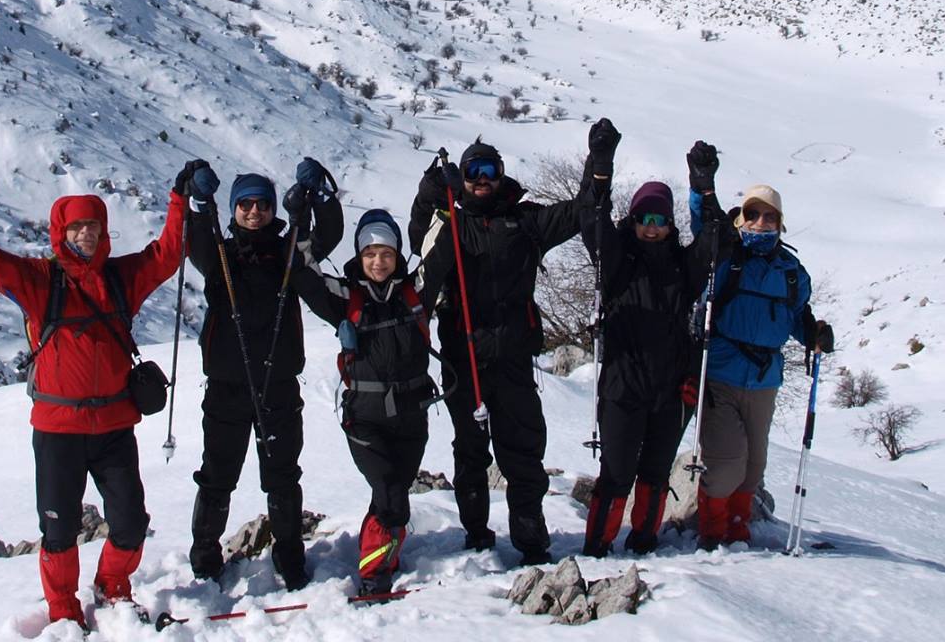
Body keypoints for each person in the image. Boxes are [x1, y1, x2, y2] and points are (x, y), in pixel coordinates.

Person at [0, 159, 191, 628]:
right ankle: (63, 609)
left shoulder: (119, 279)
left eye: (94, 226)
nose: (87, 235)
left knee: (131, 522)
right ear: (62, 231)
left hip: (114, 426)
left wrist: (178, 199)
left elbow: (166, 257)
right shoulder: (39, 281)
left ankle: (113, 586)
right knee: (58, 530)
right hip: (58, 430)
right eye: (78, 227)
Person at [409, 121, 613, 564]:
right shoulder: (451, 223)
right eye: (473, 171)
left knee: (521, 448)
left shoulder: (525, 221)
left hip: (515, 358)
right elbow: (417, 247)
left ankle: (530, 536)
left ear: (502, 174)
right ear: (461, 178)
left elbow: (582, 211)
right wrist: (429, 191)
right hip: (464, 357)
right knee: (470, 449)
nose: (483, 179)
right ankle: (477, 532)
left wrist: (598, 163)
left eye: (491, 169)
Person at [182, 159, 343, 590]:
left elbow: (328, 235)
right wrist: (197, 202)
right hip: (227, 386)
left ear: (274, 209)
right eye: (245, 205)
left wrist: (322, 195)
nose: (254, 212)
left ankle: (290, 558)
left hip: (279, 385)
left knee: (283, 477)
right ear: (233, 210)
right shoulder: (219, 253)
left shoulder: (291, 251)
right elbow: (192, 236)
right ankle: (204, 560)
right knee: (217, 475)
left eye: (262, 205)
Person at [685, 142, 835, 549]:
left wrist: (816, 336)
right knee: (725, 464)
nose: (761, 222)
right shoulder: (725, 253)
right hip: (721, 373)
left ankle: (738, 531)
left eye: (770, 216)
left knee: (753, 468)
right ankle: (713, 536)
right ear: (742, 217)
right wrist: (702, 181)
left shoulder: (790, 271)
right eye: (753, 213)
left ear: (780, 223)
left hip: (765, 380)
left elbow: (798, 316)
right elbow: (703, 222)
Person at [287, 207, 436, 598]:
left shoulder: (414, 293)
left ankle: (384, 554)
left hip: (411, 417)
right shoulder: (345, 296)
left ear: (397, 255)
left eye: (386, 253)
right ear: (359, 256)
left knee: (395, 494)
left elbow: (443, 254)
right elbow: (303, 272)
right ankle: (373, 574)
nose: (378, 262)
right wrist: (300, 219)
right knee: (389, 491)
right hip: (365, 418)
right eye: (370, 254)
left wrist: (437, 197)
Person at [578, 139, 709, 556]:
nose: (652, 226)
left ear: (671, 225)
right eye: (644, 218)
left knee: (653, 474)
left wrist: (704, 187)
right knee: (615, 474)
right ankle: (598, 544)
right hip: (622, 387)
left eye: (660, 219)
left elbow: (716, 241)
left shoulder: (683, 269)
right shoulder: (617, 263)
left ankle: (644, 541)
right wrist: (601, 171)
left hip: (670, 392)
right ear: (632, 221)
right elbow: (591, 220)